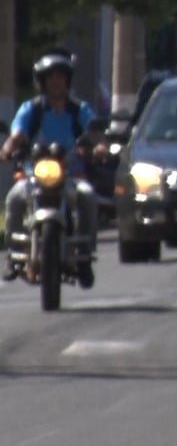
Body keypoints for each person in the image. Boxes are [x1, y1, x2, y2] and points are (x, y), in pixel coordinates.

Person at [0, 48, 102, 287]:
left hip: (71, 175)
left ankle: (84, 256)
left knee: (88, 196)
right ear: (42, 82)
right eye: (51, 77)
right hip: (33, 174)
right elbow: (16, 135)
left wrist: (99, 147)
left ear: (68, 81)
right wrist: (6, 149)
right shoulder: (31, 109)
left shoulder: (80, 110)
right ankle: (13, 256)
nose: (56, 82)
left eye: (60, 77)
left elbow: (96, 134)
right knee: (15, 198)